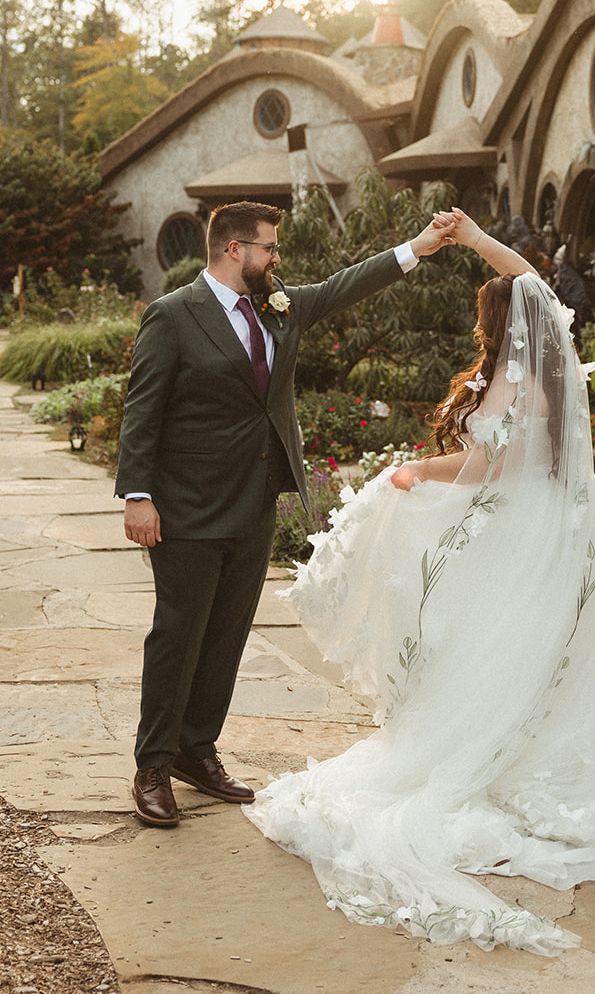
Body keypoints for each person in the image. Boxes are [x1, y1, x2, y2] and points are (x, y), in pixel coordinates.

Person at [244, 208, 595, 956]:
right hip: (558, 522)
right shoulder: (545, 365)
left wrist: (409, 470)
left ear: (499, 323)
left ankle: (527, 752)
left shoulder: (516, 380)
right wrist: (468, 239)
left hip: (523, 525)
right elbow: (528, 282)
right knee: (547, 640)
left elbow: (484, 468)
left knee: (508, 644)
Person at [115, 198, 458, 828]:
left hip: (254, 502)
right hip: (186, 508)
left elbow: (342, 287)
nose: (278, 259)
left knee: (225, 637)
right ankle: (153, 765)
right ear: (234, 250)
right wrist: (137, 495)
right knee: (178, 636)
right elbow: (143, 410)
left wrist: (418, 247)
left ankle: (197, 750)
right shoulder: (173, 316)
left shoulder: (279, 307)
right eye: (269, 248)